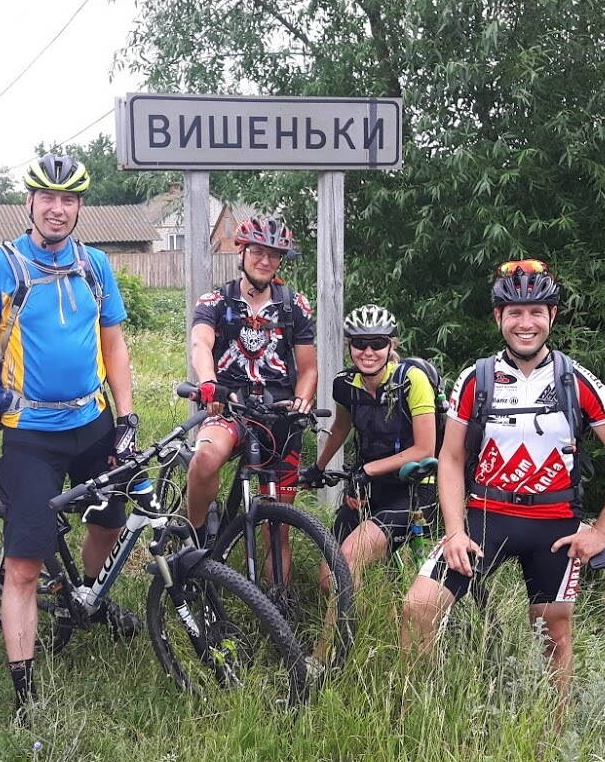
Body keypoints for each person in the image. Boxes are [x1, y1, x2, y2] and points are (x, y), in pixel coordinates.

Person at [400, 259, 605, 700]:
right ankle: (420, 715)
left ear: (552, 315)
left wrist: (601, 534)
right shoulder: (476, 379)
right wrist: (454, 532)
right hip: (486, 517)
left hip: (553, 526)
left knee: (554, 634)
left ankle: (552, 734)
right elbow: (452, 458)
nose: (526, 323)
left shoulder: (576, 381)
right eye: (514, 312)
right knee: (419, 607)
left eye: (536, 311)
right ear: (499, 317)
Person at [0, 153, 139, 713]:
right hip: (29, 432)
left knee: (111, 520)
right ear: (30, 203)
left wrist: (126, 417)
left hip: (92, 422)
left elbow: (113, 343)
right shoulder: (0, 266)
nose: (58, 209)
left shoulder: (95, 265)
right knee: (24, 565)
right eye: (48, 198)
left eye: (69, 199)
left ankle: (88, 598)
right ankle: (24, 693)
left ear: (80, 206)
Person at [184, 217, 318, 546]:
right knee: (206, 457)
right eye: (258, 252)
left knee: (278, 528)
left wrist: (302, 400)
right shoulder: (215, 301)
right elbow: (200, 344)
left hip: (278, 414)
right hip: (229, 406)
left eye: (274, 255)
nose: (265, 261)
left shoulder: (295, 305)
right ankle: (194, 537)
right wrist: (209, 383)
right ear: (241, 252)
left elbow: (308, 368)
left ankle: (276, 584)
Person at [301, 304, 437, 587]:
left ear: (391, 346)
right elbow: (341, 428)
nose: (368, 352)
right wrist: (318, 467)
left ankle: (348, 622)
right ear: (349, 346)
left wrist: (368, 470)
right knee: (328, 579)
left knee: (349, 559)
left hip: (412, 488)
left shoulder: (411, 380)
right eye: (360, 343)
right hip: (367, 490)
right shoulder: (345, 385)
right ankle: (368, 611)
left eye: (377, 343)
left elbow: (425, 448)